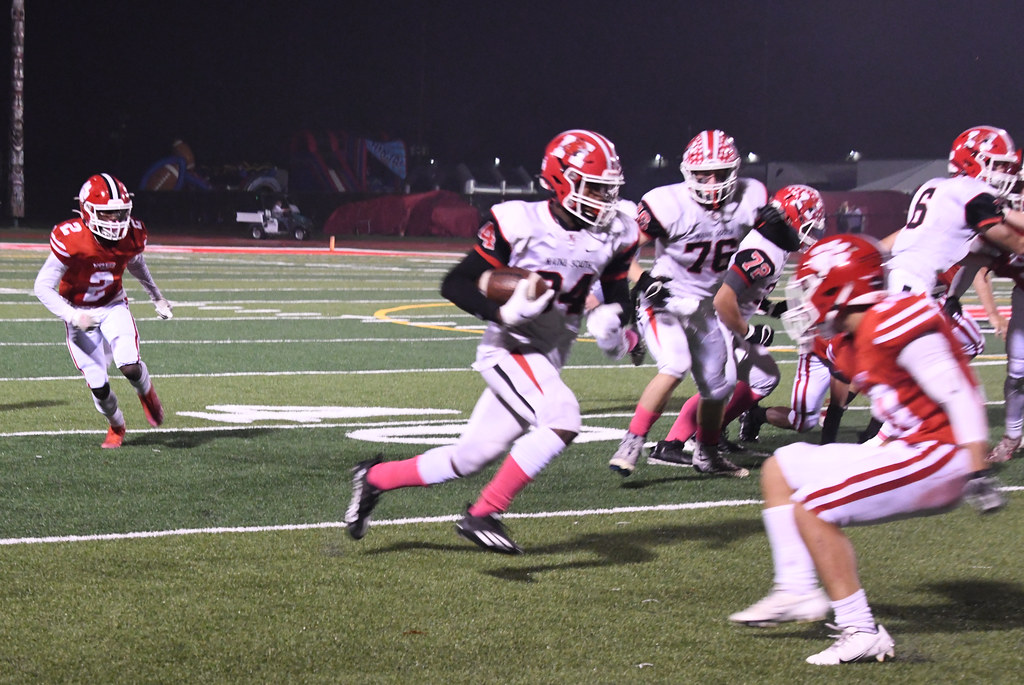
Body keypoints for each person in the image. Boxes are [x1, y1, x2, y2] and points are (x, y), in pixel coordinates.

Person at [346, 130, 639, 554]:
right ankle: (484, 512)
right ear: (560, 180)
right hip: (510, 347)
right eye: (594, 187)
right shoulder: (518, 221)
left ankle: (373, 478)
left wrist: (614, 321)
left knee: (470, 457)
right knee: (563, 417)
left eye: (609, 189)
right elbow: (455, 283)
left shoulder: (617, 232)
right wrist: (501, 312)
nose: (604, 199)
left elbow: (616, 294)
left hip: (550, 355)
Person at [729, 234, 1005, 666]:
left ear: (837, 286)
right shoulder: (854, 332)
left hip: (940, 454)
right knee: (782, 467)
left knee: (814, 508)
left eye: (809, 286)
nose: (803, 298)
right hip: (901, 443)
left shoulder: (893, 321)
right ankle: (797, 589)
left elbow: (959, 393)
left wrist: (976, 470)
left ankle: (860, 630)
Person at [609, 129, 767, 478]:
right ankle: (632, 441)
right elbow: (621, 253)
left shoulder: (751, 196)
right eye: (702, 174)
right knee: (675, 363)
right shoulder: (667, 203)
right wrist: (645, 280)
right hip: (666, 299)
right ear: (687, 173)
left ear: (735, 170)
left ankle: (707, 454)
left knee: (720, 385)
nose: (710, 182)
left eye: (719, 173)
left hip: (709, 307)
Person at [644, 184, 825, 466]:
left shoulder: (773, 244)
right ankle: (672, 443)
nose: (809, 234)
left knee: (765, 378)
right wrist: (749, 331)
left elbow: (740, 290)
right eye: (806, 225)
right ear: (788, 218)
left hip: (723, 317)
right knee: (721, 384)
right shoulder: (763, 252)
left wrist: (772, 307)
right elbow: (723, 297)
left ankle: (708, 434)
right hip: (711, 320)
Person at [33, 173, 171, 448]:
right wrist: (73, 316)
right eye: (107, 214)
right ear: (87, 211)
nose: (115, 221)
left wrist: (156, 296)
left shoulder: (130, 235)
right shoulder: (72, 239)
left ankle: (147, 393)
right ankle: (117, 426)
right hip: (77, 310)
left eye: (119, 213)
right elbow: (42, 286)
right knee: (98, 385)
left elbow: (136, 264)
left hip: (112, 304)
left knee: (129, 365)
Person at [888, 125, 1024, 296]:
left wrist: (990, 261)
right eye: (999, 165)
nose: (1005, 172)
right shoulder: (973, 190)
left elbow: (957, 254)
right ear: (973, 162)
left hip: (905, 270)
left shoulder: (936, 185)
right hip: (916, 278)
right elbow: (1017, 244)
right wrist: (1004, 213)